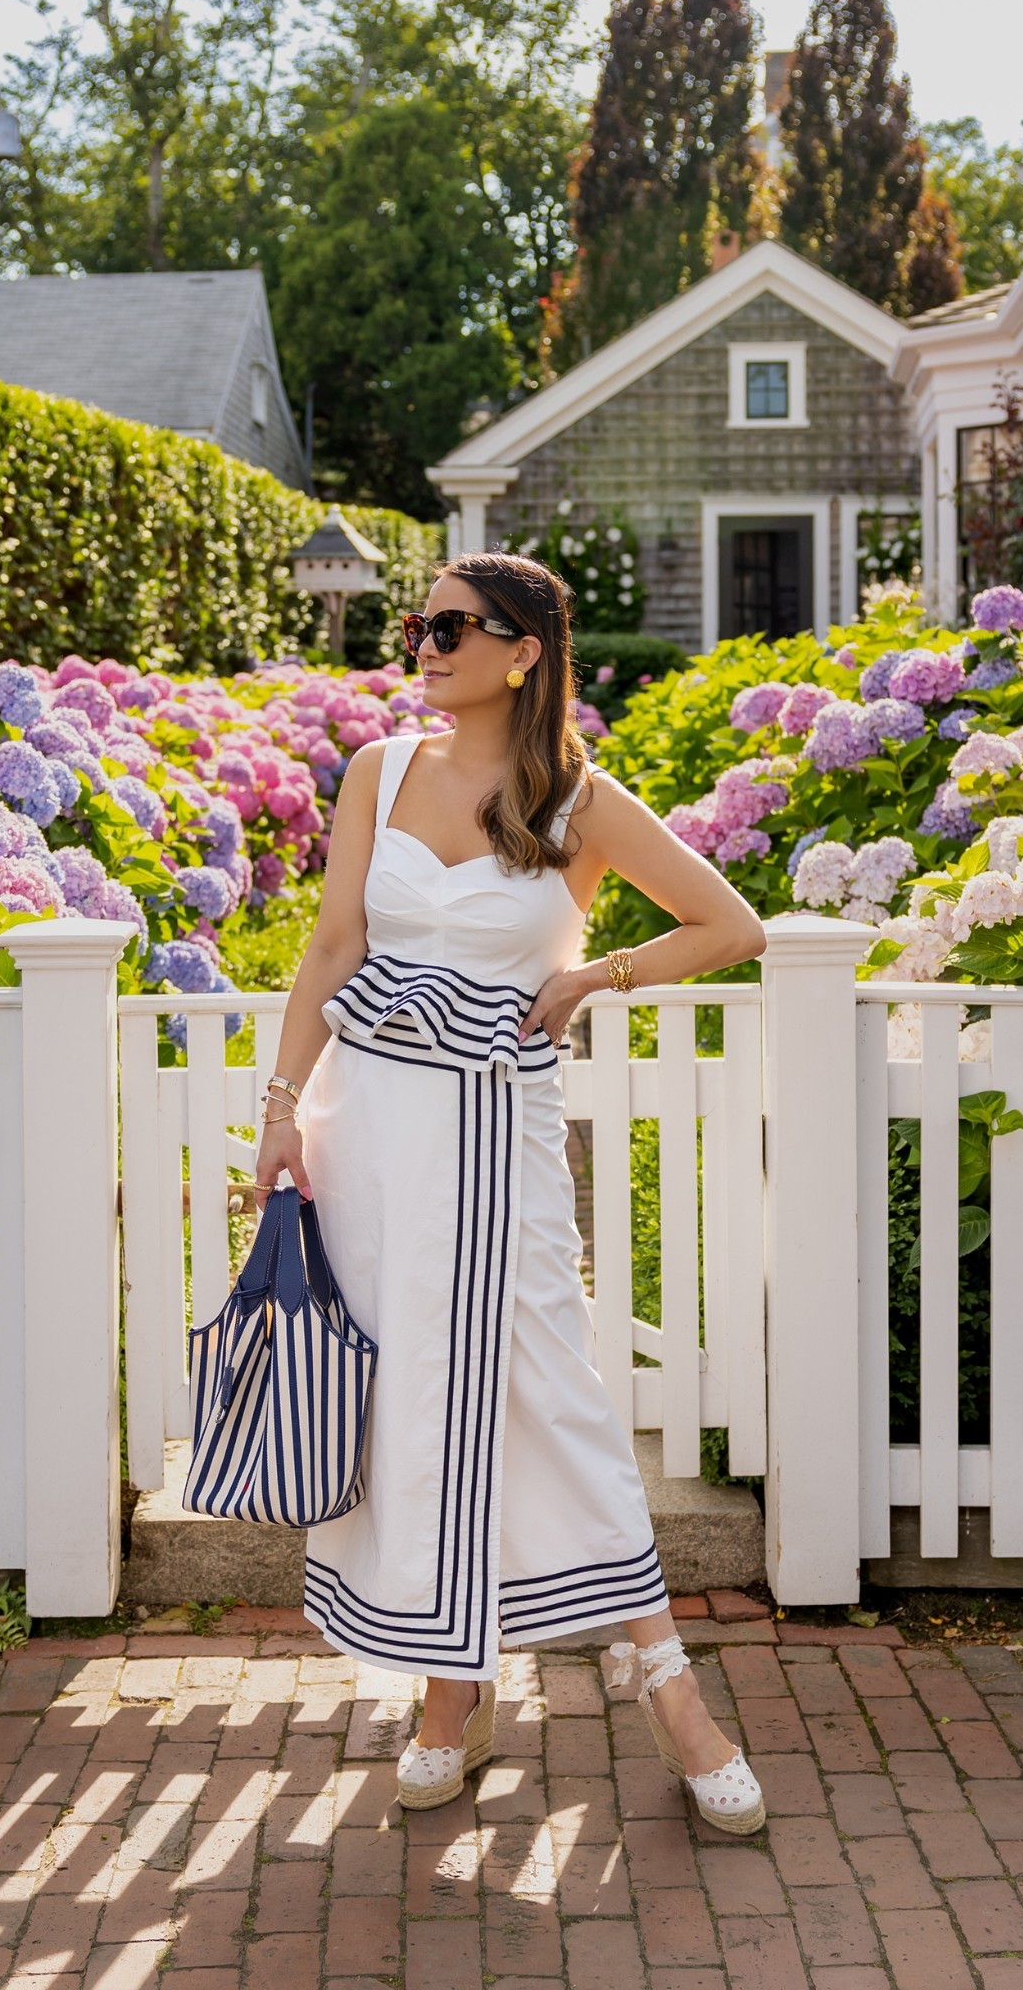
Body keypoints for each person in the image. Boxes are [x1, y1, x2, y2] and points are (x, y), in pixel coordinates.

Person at [250, 551, 768, 1835]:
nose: (425, 644)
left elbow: (730, 922)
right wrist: (277, 1108)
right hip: (363, 1121)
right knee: (408, 1388)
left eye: (453, 626)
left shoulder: (578, 798)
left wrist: (603, 977)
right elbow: (332, 943)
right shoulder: (376, 769)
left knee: (547, 1386)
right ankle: (451, 1685)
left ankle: (670, 1694)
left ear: (524, 649)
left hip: (498, 1129)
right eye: (416, 623)